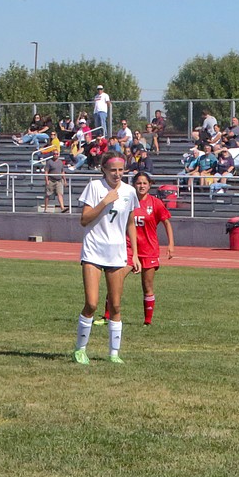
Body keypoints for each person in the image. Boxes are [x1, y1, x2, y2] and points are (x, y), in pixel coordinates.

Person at [73, 153, 141, 365]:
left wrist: (135, 254)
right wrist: (104, 202)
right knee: (92, 303)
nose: (117, 174)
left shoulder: (130, 192)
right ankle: (80, 349)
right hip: (93, 251)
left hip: (117, 253)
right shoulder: (94, 187)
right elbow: (84, 220)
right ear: (104, 169)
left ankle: (113, 353)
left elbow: (130, 224)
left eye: (121, 170)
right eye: (113, 170)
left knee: (116, 305)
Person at [126, 172, 175, 326]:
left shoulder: (155, 203)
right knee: (116, 280)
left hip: (148, 249)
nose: (141, 186)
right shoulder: (128, 202)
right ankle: (107, 317)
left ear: (149, 185)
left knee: (147, 286)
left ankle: (147, 321)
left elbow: (167, 223)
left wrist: (171, 244)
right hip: (128, 248)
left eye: (144, 183)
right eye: (139, 183)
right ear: (134, 184)